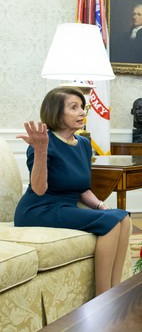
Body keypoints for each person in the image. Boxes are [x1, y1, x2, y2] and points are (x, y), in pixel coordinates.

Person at [14, 87, 131, 296]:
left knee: (123, 218)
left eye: (82, 107)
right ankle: (103, 298)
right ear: (56, 113)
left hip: (66, 206)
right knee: (111, 222)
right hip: (39, 208)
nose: (82, 112)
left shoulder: (84, 144)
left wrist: (102, 206)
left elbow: (83, 189)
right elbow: (39, 189)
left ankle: (115, 291)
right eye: (74, 107)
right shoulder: (42, 141)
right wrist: (40, 151)